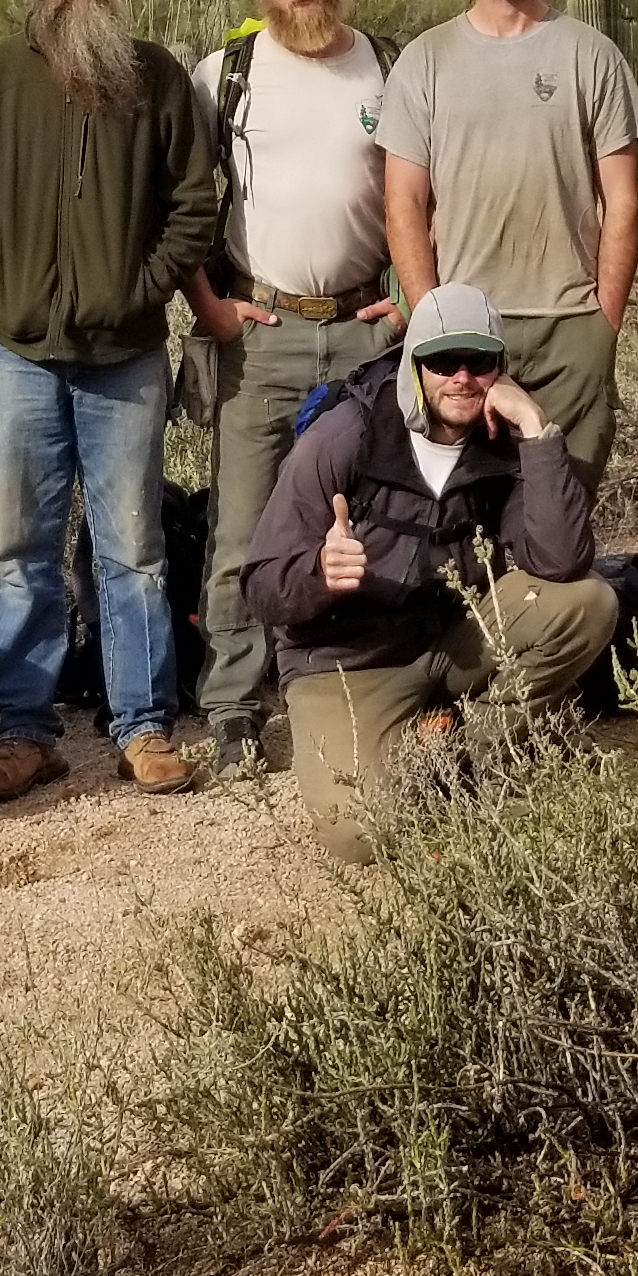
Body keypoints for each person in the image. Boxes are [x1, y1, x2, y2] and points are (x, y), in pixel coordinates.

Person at [0, 0, 226, 802]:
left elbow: (194, 204)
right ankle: (25, 730)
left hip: (126, 354)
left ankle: (142, 726)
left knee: (132, 547)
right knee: (21, 546)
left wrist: (137, 293)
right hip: (16, 355)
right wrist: (2, 295)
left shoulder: (157, 78)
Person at [238, 284, 617, 864]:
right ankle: (426, 755)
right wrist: (318, 572)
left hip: (451, 639)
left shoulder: (503, 442)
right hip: (347, 663)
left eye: (480, 362)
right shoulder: (346, 437)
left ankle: (457, 753)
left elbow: (561, 563)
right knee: (359, 832)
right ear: (413, 364)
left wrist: (537, 429)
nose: (461, 377)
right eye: (442, 361)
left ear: (501, 368)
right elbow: (261, 585)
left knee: (588, 603)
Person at [185, 0, 403, 778]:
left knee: (376, 517)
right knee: (241, 528)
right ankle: (235, 706)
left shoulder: (389, 63)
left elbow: (425, 187)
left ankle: (361, 675)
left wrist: (408, 296)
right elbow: (183, 198)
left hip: (365, 330)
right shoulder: (225, 74)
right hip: (261, 331)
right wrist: (206, 302)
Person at [378, 0, 638, 479]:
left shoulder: (591, 54)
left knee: (565, 516)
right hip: (464, 339)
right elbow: (403, 204)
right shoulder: (426, 61)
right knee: (461, 525)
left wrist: (604, 322)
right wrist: (433, 324)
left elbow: (624, 201)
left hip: (570, 329)